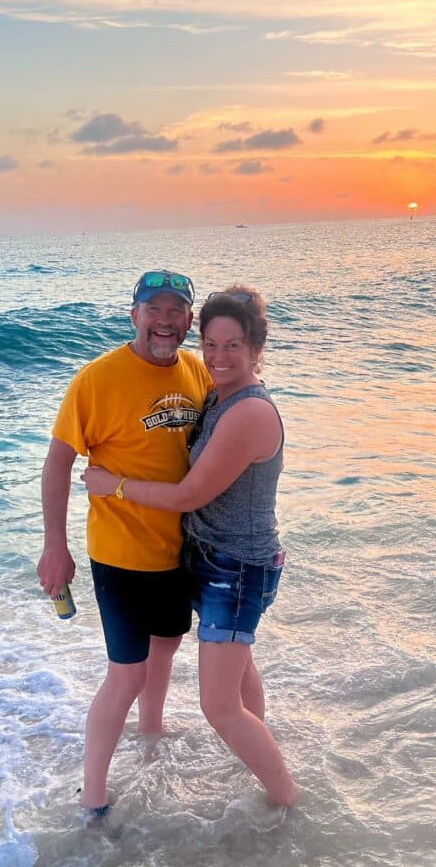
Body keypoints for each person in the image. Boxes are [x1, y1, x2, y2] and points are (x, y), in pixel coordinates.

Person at [82, 286, 298, 807]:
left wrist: (113, 484)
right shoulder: (216, 393)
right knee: (240, 668)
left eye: (234, 346)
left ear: (255, 350)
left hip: (237, 568)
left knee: (219, 706)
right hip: (211, 558)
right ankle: (255, 754)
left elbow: (188, 494)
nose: (220, 357)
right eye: (212, 344)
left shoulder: (248, 412)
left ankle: (288, 803)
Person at [36, 270, 211, 817]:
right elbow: (58, 463)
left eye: (175, 310)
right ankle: (93, 795)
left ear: (189, 319)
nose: (164, 321)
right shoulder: (98, 379)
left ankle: (150, 739)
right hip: (119, 552)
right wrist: (53, 546)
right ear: (133, 315)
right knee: (127, 673)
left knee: (166, 647)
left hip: (178, 549)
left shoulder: (197, 372)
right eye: (152, 309)